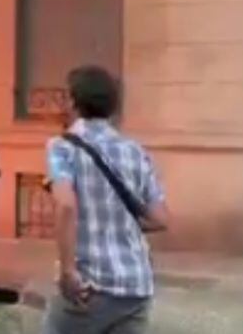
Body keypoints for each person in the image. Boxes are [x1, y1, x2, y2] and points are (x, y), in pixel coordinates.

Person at [43, 65, 170, 334]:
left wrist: (68, 271)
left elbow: (66, 205)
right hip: (136, 286)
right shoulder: (135, 151)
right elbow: (161, 219)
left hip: (91, 285)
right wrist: (118, 222)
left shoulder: (62, 147)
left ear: (72, 101)